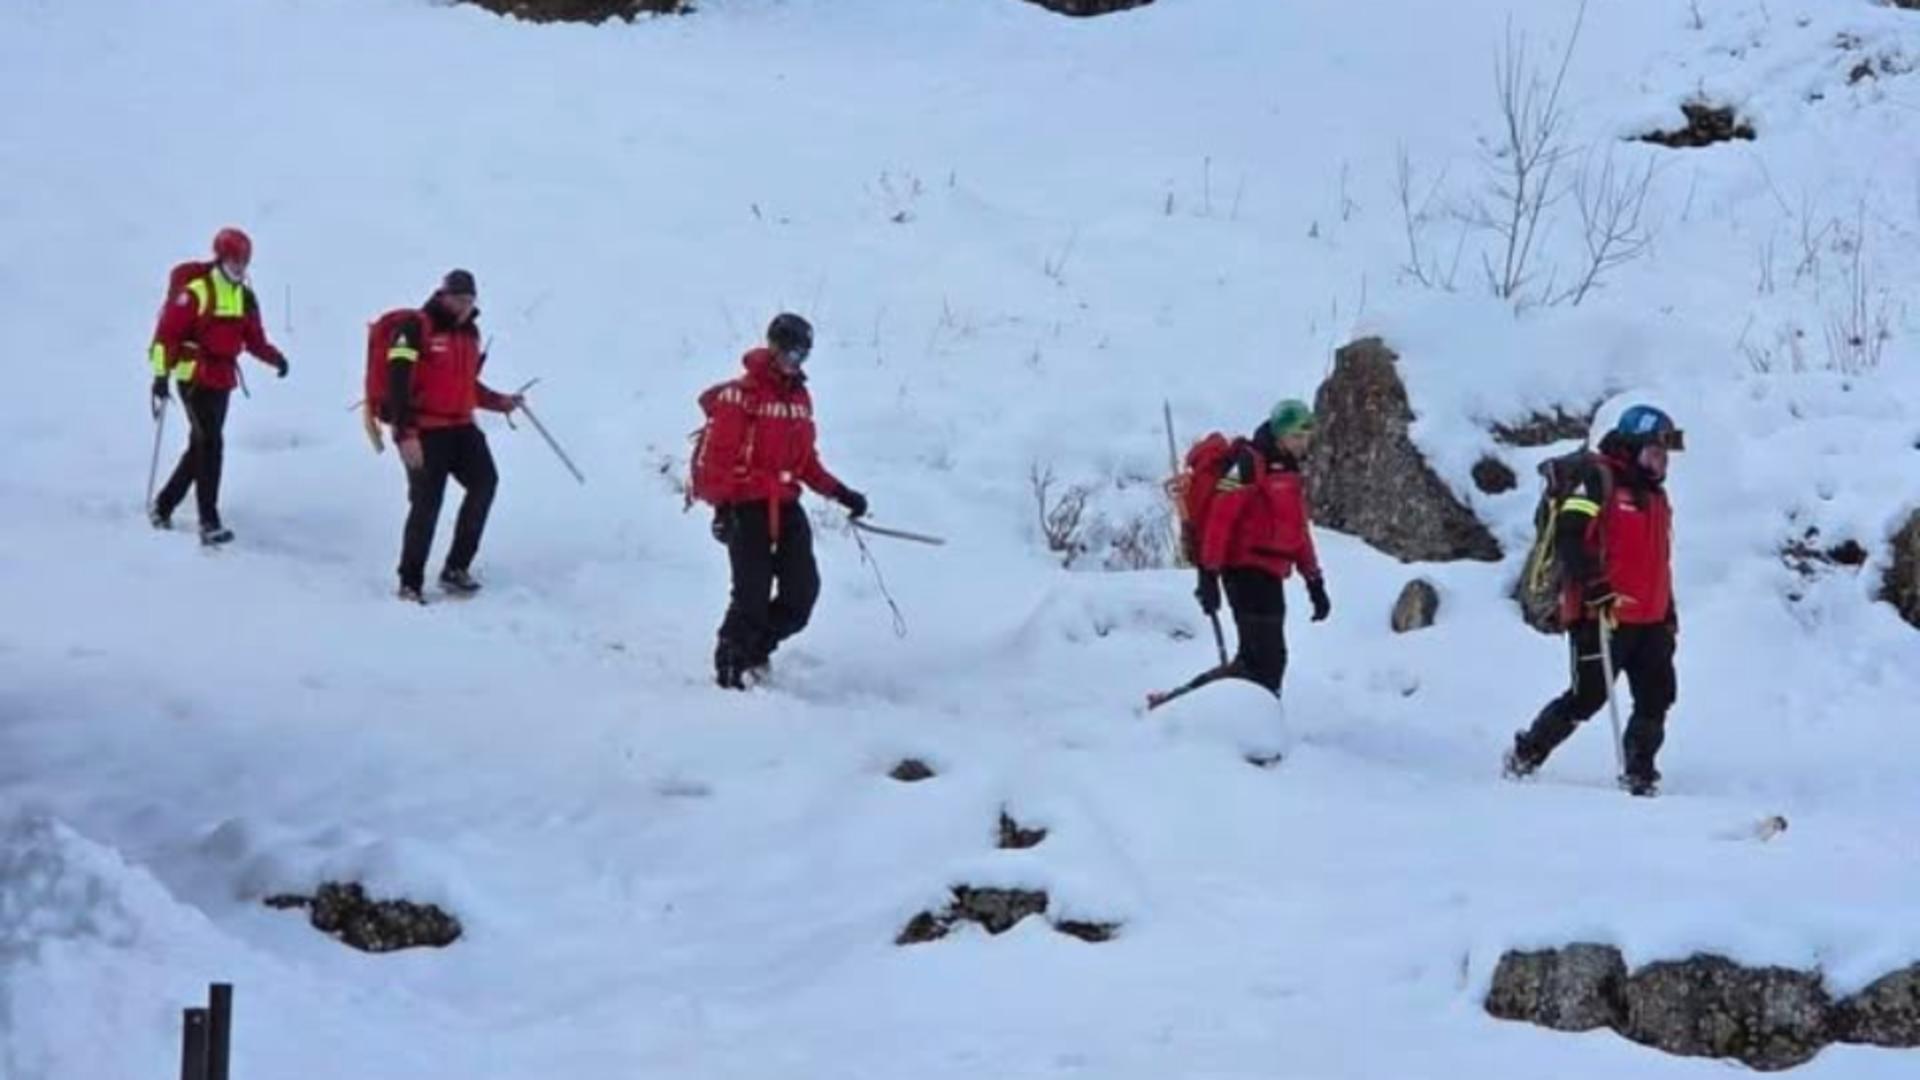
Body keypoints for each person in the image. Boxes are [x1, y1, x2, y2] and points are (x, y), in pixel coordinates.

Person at [1504, 404, 1682, 796]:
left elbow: (1657, 561)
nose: (1660, 462)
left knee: (1657, 695)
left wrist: (1668, 610)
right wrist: (1594, 584)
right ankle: (1528, 752)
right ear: (1632, 448)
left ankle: (1640, 769)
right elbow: (1571, 535)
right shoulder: (1597, 480)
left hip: (1651, 618)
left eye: (1663, 455)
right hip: (1601, 614)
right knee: (1587, 697)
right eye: (1653, 452)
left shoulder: (1656, 498)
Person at [693, 313, 868, 689]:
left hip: (786, 506)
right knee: (750, 596)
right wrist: (722, 508)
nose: (795, 363)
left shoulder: (800, 398)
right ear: (772, 347)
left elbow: (805, 462)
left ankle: (755, 649)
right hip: (747, 507)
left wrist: (841, 493)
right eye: (789, 353)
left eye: (802, 356)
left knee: (801, 596)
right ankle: (730, 667)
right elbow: (717, 461)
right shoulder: (740, 397)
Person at [382, 270, 521, 603]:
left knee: (485, 483)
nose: (464, 306)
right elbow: (397, 382)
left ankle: (456, 567)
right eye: (459, 299)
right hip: (425, 430)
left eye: (470, 300)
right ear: (443, 295)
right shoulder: (416, 327)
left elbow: (465, 386)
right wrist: (405, 434)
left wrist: (499, 401)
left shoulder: (470, 333)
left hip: (462, 428)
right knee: (427, 505)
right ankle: (410, 582)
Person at [147, 227, 290, 545]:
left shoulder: (245, 296)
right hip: (193, 376)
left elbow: (254, 340)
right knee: (211, 444)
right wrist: (160, 377)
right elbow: (165, 337)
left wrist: (276, 359)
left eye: (244, 261)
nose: (240, 267)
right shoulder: (196, 292)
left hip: (222, 379)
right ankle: (208, 522)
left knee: (201, 446)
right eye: (234, 260)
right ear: (221, 257)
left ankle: (163, 505)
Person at [1190, 399, 1332, 696]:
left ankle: (1244, 717)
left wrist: (1314, 581)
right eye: (1296, 436)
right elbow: (1221, 516)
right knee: (1263, 660)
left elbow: (1298, 530)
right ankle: (1212, 709)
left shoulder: (1289, 472)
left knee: (1266, 660)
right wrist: (1208, 572)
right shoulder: (1248, 463)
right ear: (1279, 434)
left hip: (1270, 572)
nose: (1303, 443)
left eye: (1306, 436)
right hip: (1243, 569)